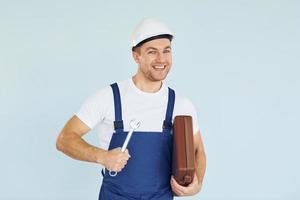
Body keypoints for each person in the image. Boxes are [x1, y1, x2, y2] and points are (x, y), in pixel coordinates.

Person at [56, 18, 206, 200]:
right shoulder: (109, 97)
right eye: (152, 52)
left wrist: (196, 185)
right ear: (136, 56)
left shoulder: (181, 104)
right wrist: (102, 156)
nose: (161, 59)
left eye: (166, 51)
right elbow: (65, 139)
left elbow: (198, 150)